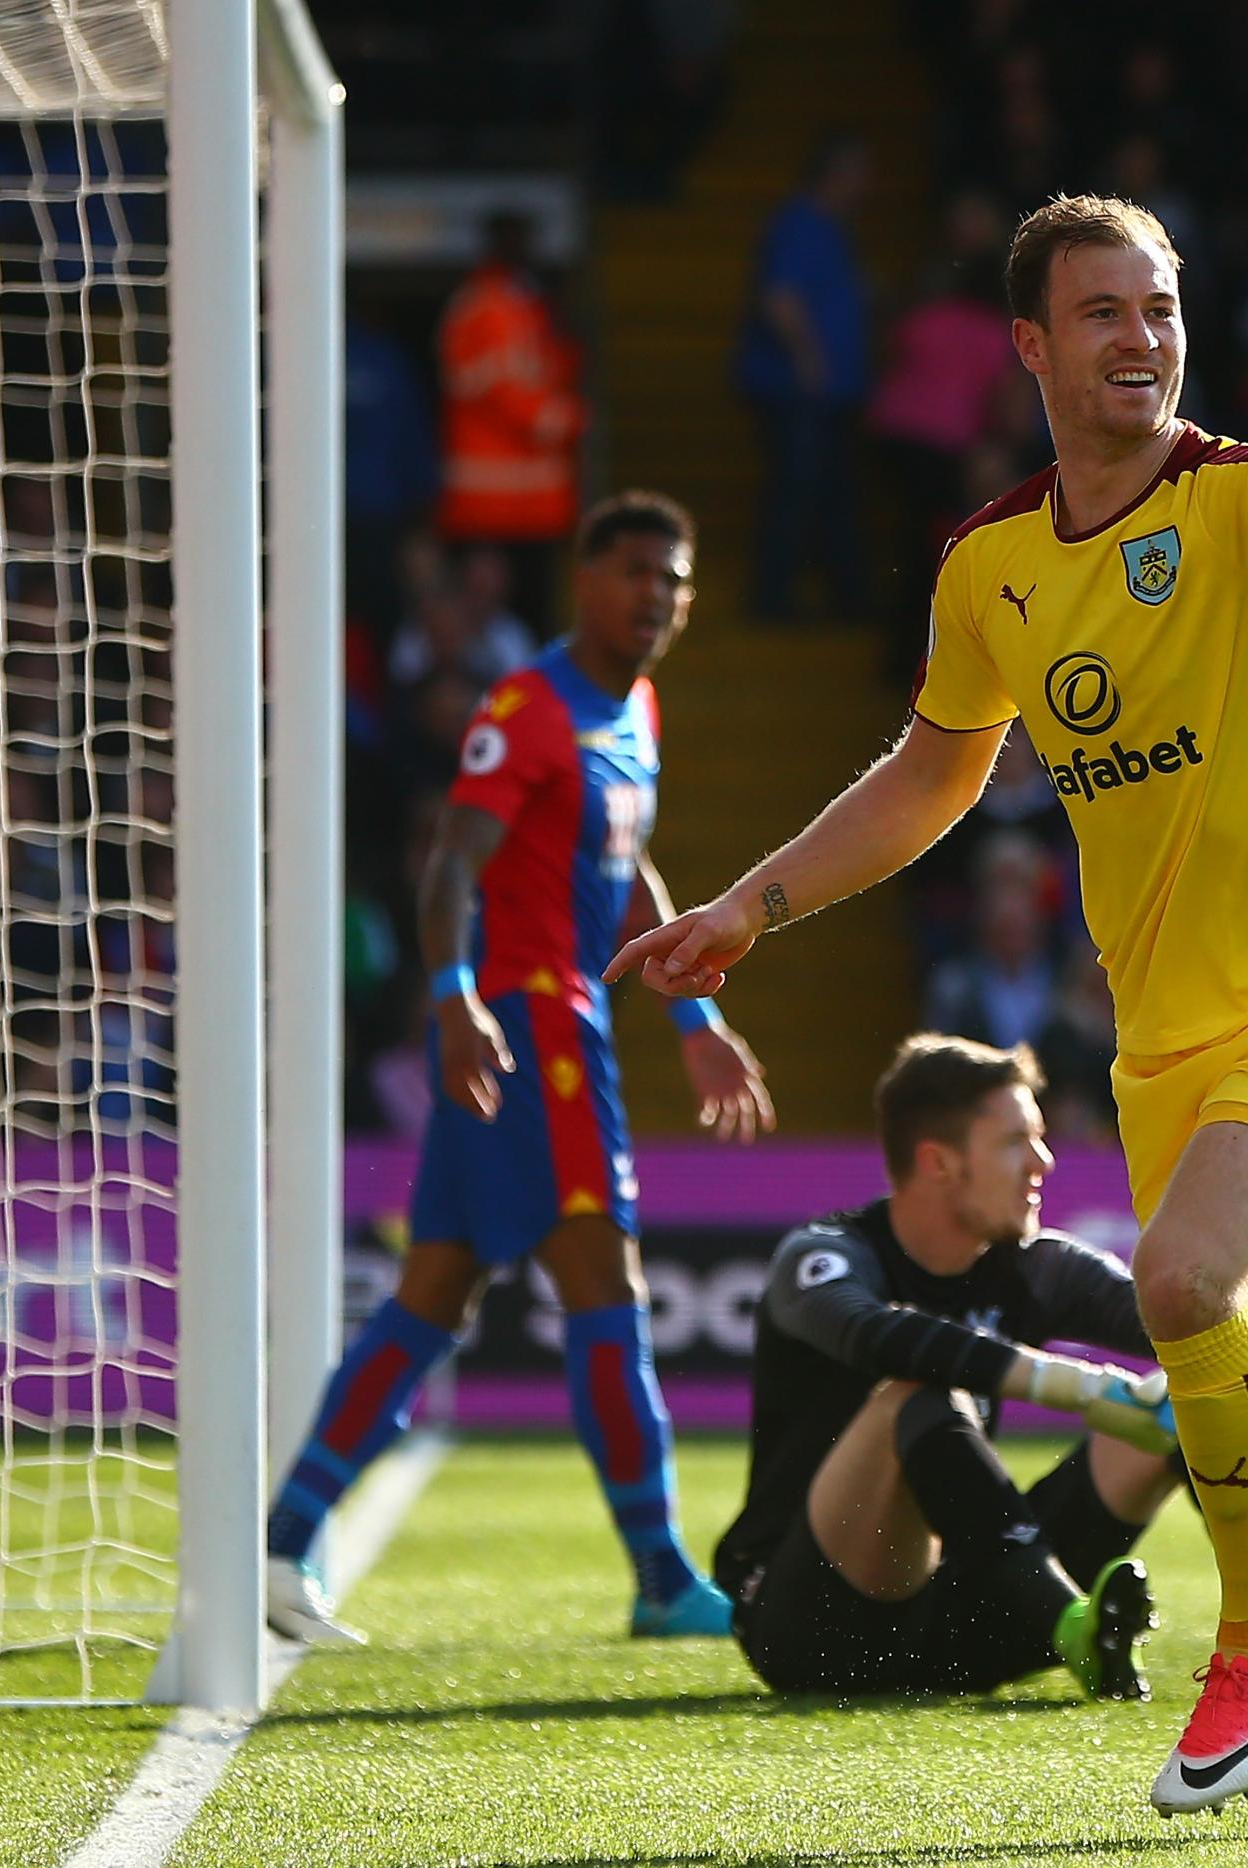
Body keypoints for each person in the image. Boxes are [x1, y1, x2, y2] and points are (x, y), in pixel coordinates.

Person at [612, 197, 1248, 1831]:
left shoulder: (1245, 494)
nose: (1145, 335)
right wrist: (751, 903)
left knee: (1181, 1278)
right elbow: (929, 778)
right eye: (1107, 311)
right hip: (1164, 1049)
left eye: (1164, 306)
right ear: (1034, 346)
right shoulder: (992, 567)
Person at [266, 491, 774, 1646]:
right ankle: (658, 1572)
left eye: (676, 579)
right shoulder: (527, 707)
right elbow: (451, 863)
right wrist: (452, 999)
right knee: (608, 1291)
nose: (657, 594)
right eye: (636, 570)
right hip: (528, 1023)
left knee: (431, 1292)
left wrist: (691, 1016)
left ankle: (286, 1536)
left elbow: (626, 858)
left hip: (559, 1017)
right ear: (586, 582)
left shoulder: (633, 706)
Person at [717, 1032, 1248, 1708]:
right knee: (912, 1395)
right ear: (938, 1161)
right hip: (813, 1628)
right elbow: (876, 1337)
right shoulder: (826, 1258)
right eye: (1016, 1142)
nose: (1043, 1162)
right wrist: (1078, 1388)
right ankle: (1072, 1624)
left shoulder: (1033, 1266)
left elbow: (1198, 1332)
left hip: (969, 1613)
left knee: (1196, 1387)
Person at [736, 131, 873, 622]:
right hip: (799, 391)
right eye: (859, 171)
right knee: (797, 492)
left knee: (828, 493)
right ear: (834, 172)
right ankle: (773, 599)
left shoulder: (832, 229)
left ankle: (844, 595)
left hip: (826, 392)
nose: (868, 183)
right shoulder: (800, 223)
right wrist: (809, 356)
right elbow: (779, 297)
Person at [436, 211, 584, 632]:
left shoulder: (530, 304)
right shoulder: (482, 306)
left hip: (534, 506)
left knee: (534, 624)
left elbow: (555, 370)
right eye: (513, 239)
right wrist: (565, 419)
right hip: (487, 506)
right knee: (486, 628)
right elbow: (499, 390)